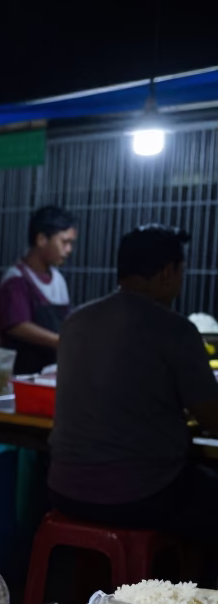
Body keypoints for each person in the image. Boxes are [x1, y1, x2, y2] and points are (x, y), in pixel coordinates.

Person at [50, 225, 218, 545]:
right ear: (168, 272)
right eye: (181, 271)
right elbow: (212, 417)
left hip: (63, 489)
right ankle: (191, 591)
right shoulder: (176, 330)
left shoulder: (75, 322)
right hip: (139, 495)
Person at [0, 205, 78, 375]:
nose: (69, 249)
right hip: (22, 375)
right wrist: (61, 341)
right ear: (41, 239)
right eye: (64, 242)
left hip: (49, 372)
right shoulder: (17, 280)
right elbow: (17, 326)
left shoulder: (58, 280)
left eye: (71, 243)